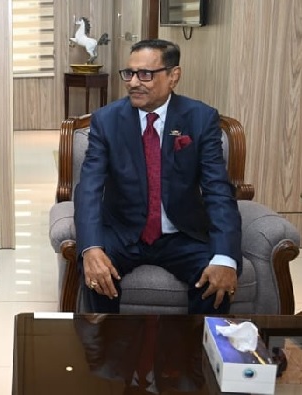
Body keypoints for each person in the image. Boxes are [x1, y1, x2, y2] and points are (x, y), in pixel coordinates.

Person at [74, 39, 242, 314]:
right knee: (98, 273)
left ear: (173, 76)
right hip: (124, 231)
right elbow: (89, 188)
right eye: (129, 73)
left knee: (214, 283)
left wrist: (225, 257)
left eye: (146, 74)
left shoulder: (200, 118)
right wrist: (91, 247)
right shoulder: (107, 120)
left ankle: (196, 355)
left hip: (182, 233)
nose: (133, 82)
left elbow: (217, 190)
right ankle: (106, 353)